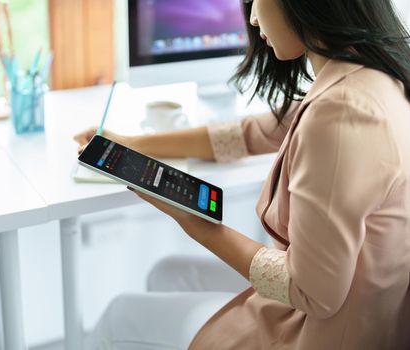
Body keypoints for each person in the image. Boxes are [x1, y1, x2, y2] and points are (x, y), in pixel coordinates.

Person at [74, 0, 410, 348]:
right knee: (167, 271)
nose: (250, 17)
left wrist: (191, 219)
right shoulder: (371, 74)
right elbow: (251, 134)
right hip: (359, 309)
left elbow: (314, 294)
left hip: (319, 334)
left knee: (120, 313)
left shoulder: (340, 114)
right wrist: (133, 143)